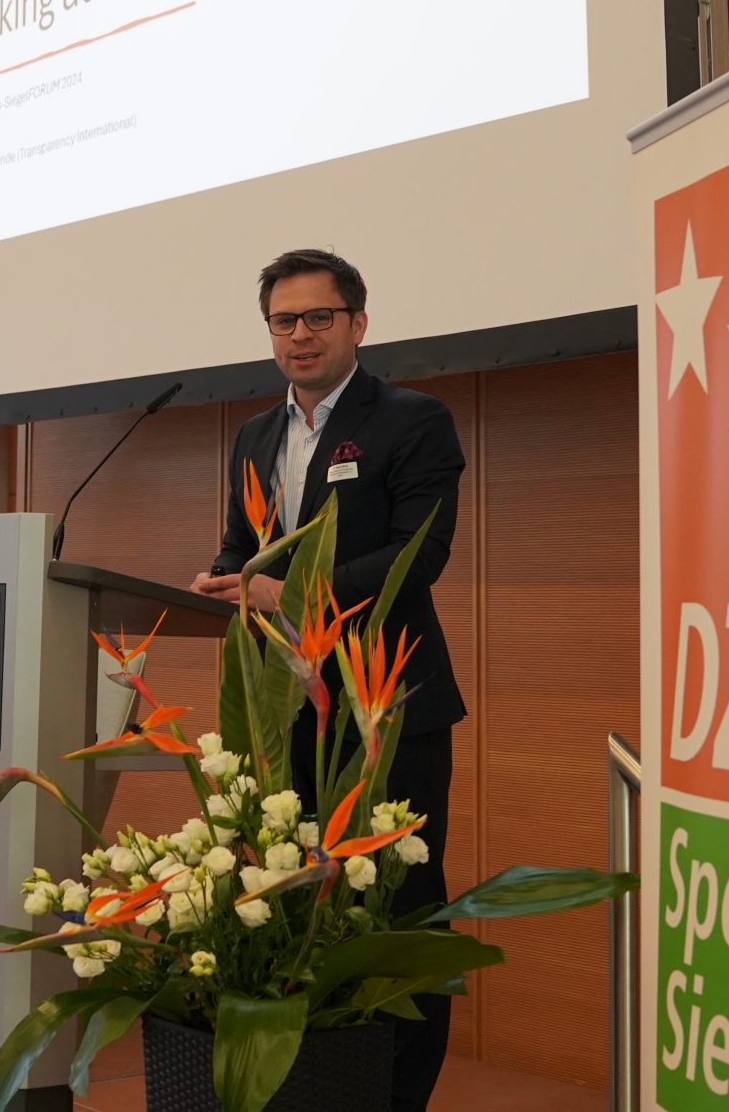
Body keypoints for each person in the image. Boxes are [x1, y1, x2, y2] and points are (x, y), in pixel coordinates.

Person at [191, 248, 464, 1111]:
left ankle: (399, 1096)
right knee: (295, 901)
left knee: (399, 910)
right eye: (285, 319)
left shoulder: (413, 420)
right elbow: (244, 546)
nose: (300, 334)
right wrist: (223, 578)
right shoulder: (255, 435)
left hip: (385, 707)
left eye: (319, 316)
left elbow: (419, 556)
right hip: (285, 711)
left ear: (358, 323)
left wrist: (295, 591)